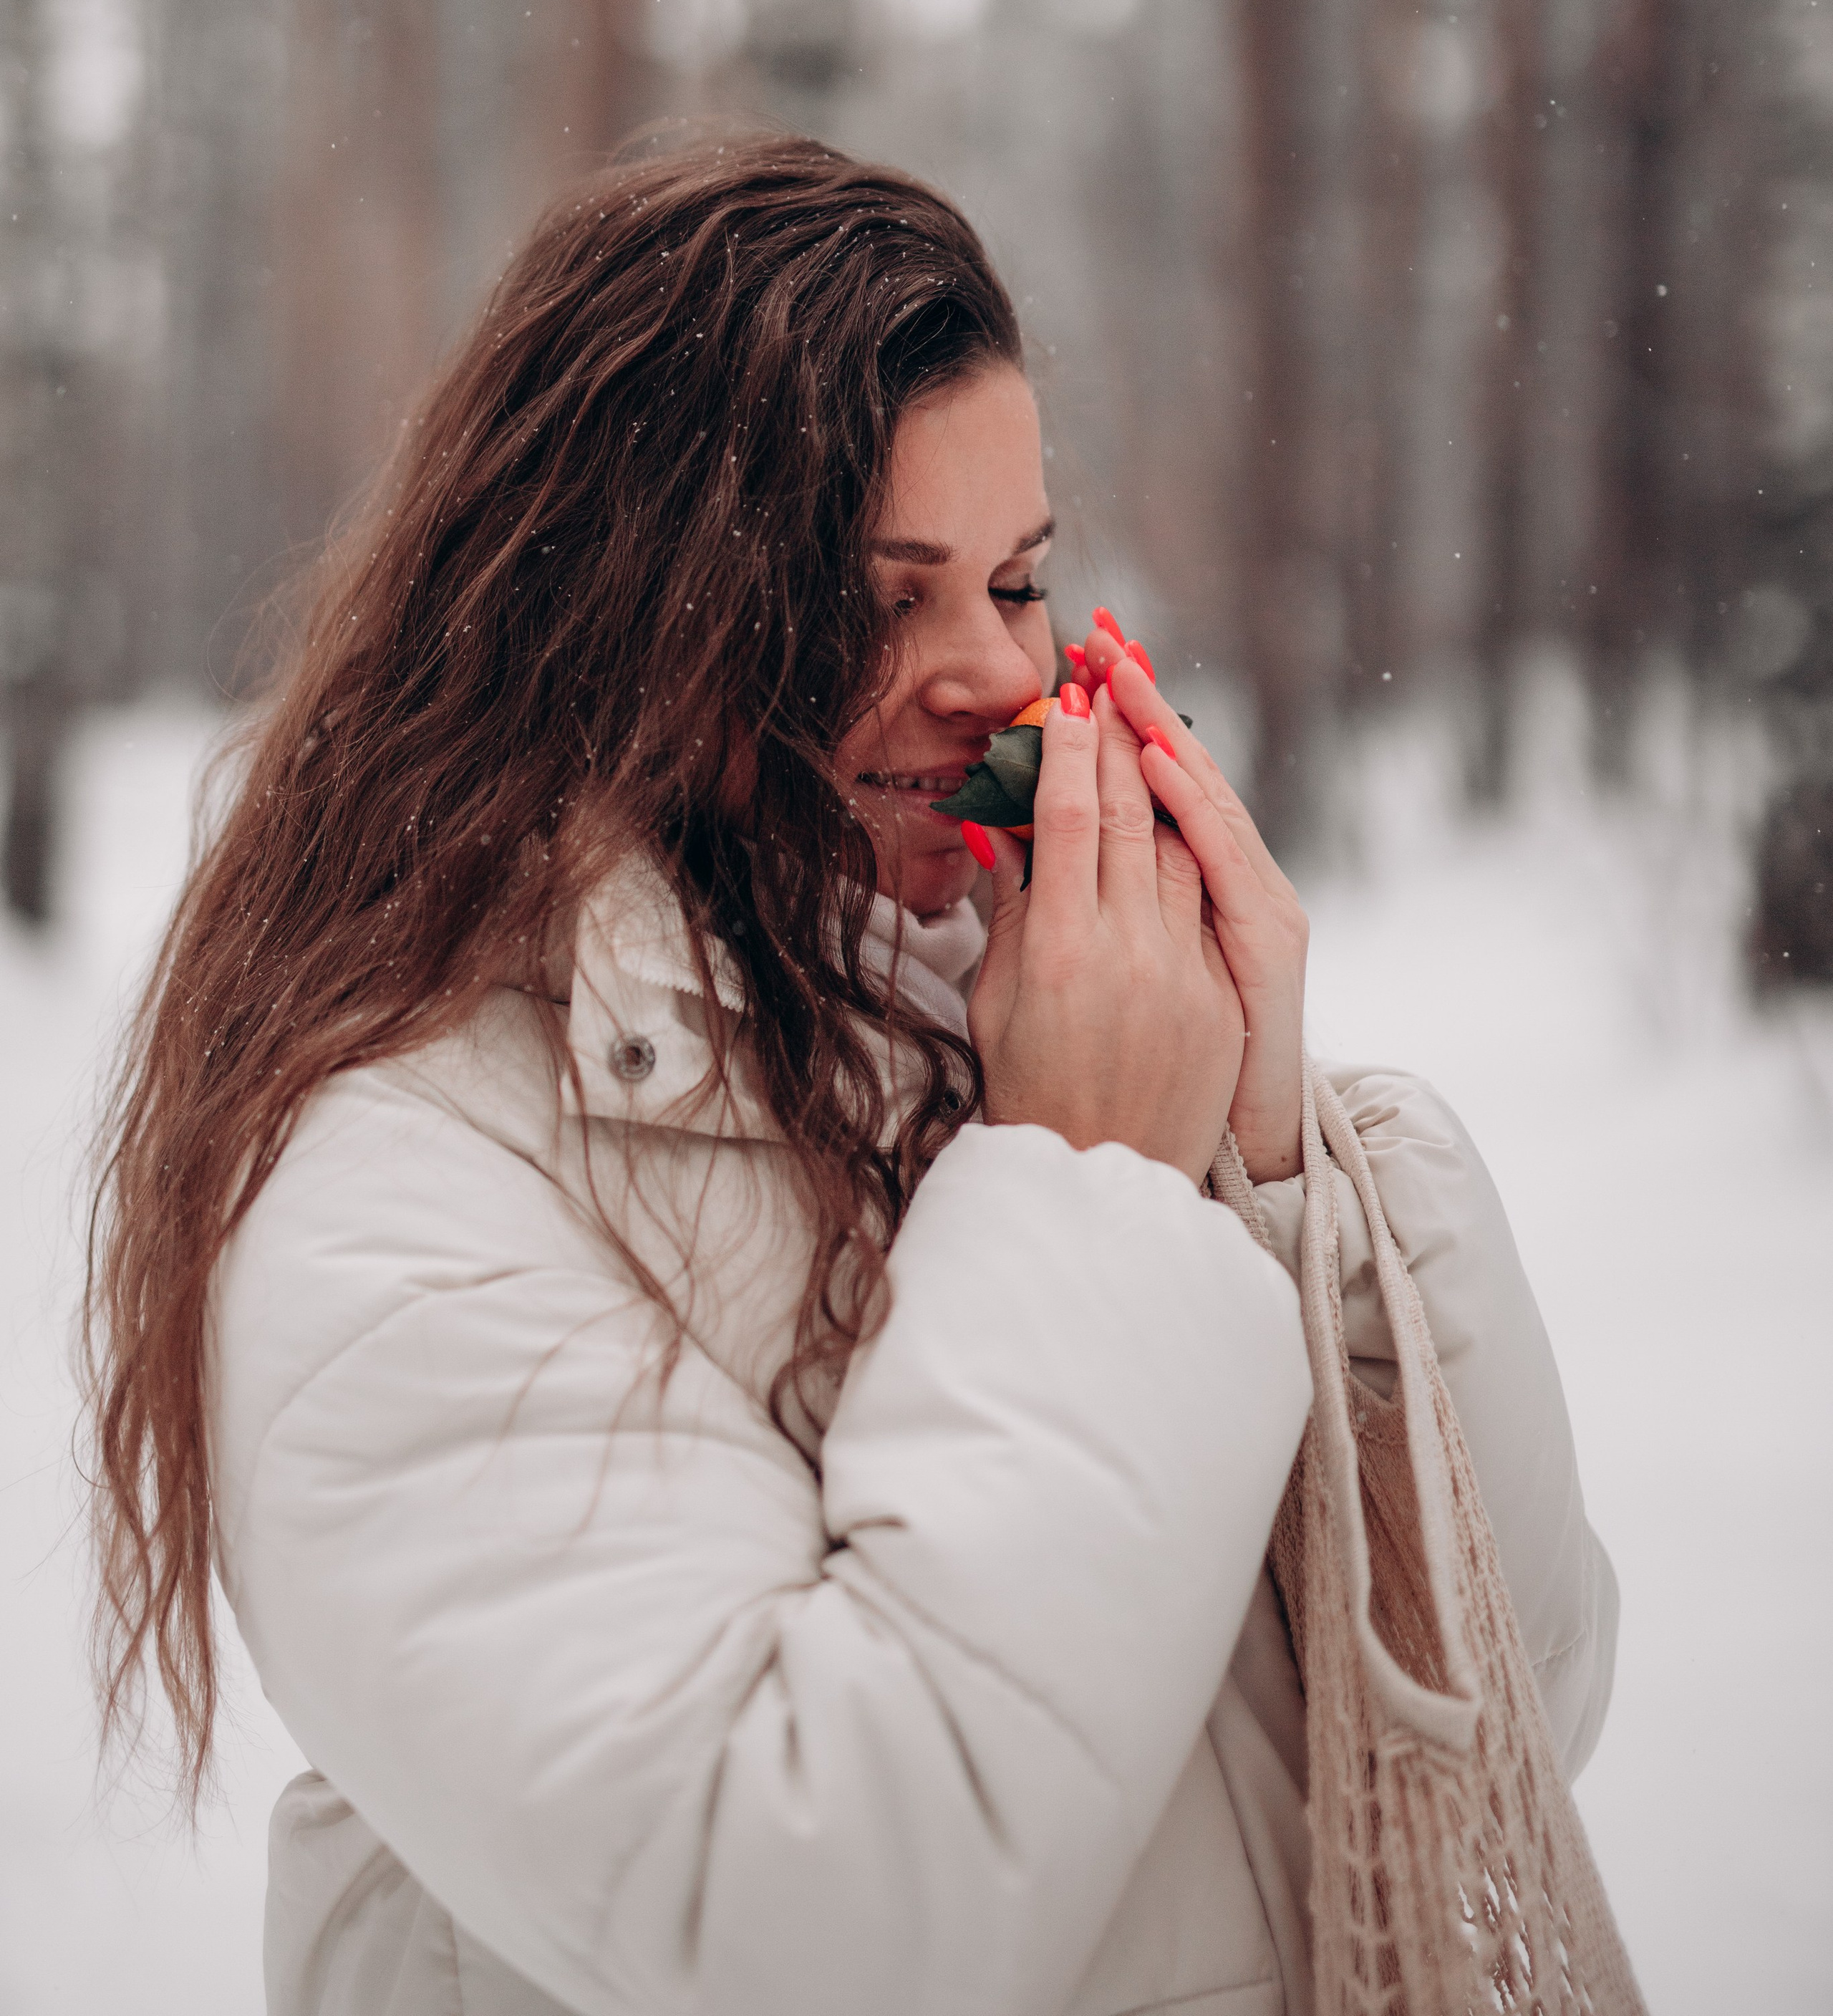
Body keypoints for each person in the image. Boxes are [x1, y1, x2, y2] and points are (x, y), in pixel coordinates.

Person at [85, 132, 1617, 2016]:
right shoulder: (396, 1194)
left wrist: (1278, 1149)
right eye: (884, 600)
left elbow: (1517, 1688)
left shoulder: (1011, 1029)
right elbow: (813, 1930)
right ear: (619, 613)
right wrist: (1099, 1199)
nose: (991, 673)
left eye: (1017, 580)